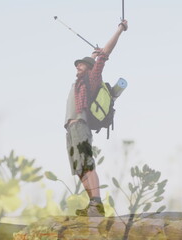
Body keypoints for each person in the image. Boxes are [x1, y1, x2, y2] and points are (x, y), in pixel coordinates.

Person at [64, 20, 128, 217]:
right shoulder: (80, 82)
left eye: (82, 64)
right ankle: (93, 204)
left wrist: (119, 30)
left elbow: (103, 56)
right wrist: (92, 53)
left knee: (87, 164)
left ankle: (97, 204)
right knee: (79, 167)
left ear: (89, 68)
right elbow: (93, 57)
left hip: (81, 126)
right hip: (71, 128)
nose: (78, 66)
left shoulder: (92, 80)